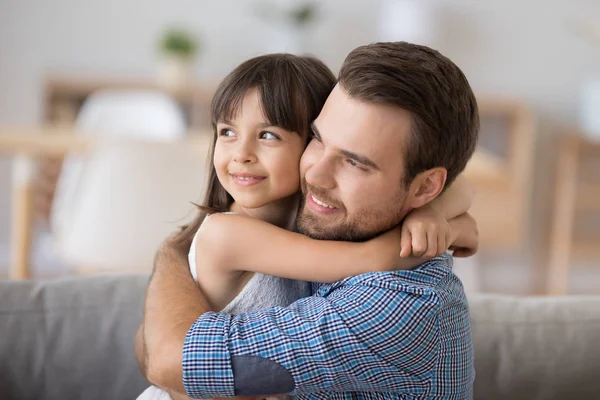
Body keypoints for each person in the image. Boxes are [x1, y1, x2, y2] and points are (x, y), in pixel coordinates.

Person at [138, 41, 480, 399]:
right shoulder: (321, 221)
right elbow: (149, 349)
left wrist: (443, 216)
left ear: (426, 187)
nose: (315, 177)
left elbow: (171, 360)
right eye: (317, 139)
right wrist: (174, 252)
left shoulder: (392, 306)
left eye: (354, 162)